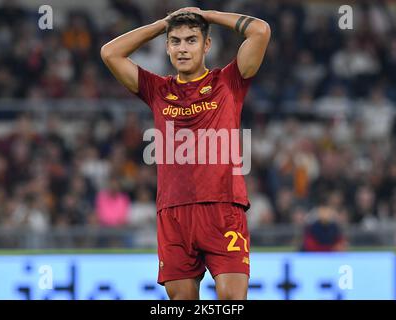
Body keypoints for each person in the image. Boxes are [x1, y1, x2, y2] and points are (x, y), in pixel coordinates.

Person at [101, 7, 270, 300]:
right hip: (174, 213)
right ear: (167, 47)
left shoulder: (228, 82)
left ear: (207, 45)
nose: (182, 48)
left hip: (223, 209)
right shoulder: (156, 89)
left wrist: (206, 14)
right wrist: (162, 24)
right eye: (175, 41)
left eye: (191, 40)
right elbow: (109, 53)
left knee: (232, 300)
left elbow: (261, 31)